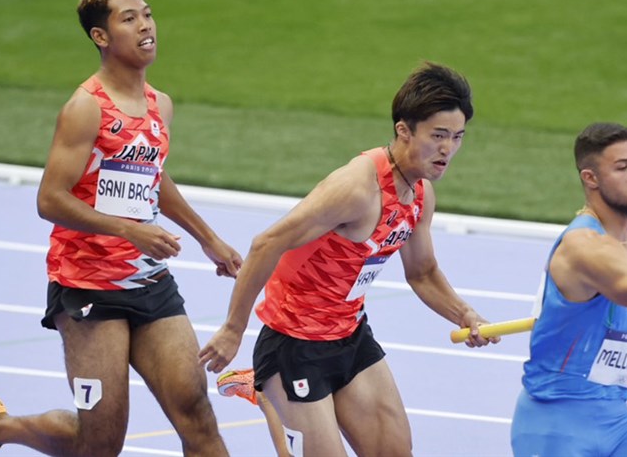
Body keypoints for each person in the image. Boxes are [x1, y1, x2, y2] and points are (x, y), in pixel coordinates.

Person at [0, 0, 242, 457]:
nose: (145, 25)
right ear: (100, 37)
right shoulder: (85, 109)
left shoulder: (159, 105)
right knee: (101, 442)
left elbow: (152, 176)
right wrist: (129, 230)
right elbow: (50, 199)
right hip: (87, 287)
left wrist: (208, 238)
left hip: (149, 283)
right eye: (129, 19)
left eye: (146, 14)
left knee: (198, 419)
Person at [198, 62, 498, 457]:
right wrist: (233, 329)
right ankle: (266, 387)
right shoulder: (356, 189)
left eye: (457, 137)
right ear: (403, 130)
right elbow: (266, 244)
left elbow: (423, 273)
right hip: (293, 345)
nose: (448, 149)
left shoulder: (421, 193)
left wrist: (466, 314)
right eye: (438, 135)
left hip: (350, 337)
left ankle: (271, 389)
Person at [511, 122, 627, 456]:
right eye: (622, 167)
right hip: (556, 426)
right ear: (591, 178)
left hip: (616, 422)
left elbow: (616, 339)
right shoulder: (582, 247)